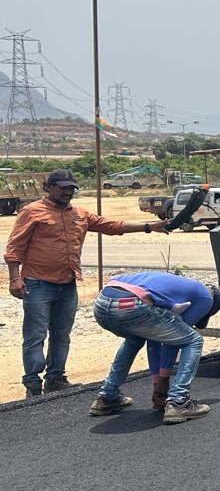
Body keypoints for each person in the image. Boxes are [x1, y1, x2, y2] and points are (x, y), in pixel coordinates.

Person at [5, 170, 168, 398]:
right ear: (48, 187)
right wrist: (15, 278)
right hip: (38, 284)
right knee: (35, 335)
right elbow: (14, 247)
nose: (68, 192)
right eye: (63, 187)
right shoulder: (32, 211)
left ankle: (55, 379)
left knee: (62, 334)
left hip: (67, 284)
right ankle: (33, 385)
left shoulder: (79, 214)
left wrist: (149, 226)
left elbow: (111, 225)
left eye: (71, 188)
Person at [87, 272, 220, 424]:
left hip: (102, 302)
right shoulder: (206, 298)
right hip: (132, 304)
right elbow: (172, 342)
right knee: (193, 341)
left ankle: (107, 397)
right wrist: (163, 380)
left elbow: (156, 336)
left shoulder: (177, 289)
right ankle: (178, 402)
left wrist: (157, 382)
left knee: (134, 339)